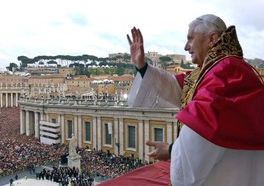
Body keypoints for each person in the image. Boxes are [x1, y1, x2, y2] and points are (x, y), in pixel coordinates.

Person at [99, 14, 264, 185]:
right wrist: (142, 66)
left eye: (191, 39)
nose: (186, 47)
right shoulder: (217, 69)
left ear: (212, 39)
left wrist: (171, 150)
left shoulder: (224, 73)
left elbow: (202, 130)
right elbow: (176, 88)